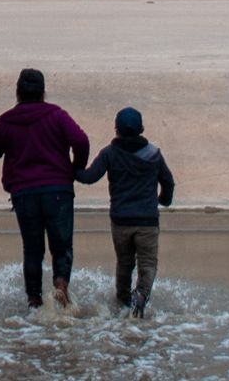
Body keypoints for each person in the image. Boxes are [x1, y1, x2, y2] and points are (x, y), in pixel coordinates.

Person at [0, 67, 90, 309]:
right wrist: (75, 169)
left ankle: (34, 301)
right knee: (61, 246)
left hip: (24, 193)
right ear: (43, 92)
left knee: (32, 249)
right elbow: (81, 141)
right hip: (58, 190)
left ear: (18, 92)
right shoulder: (56, 115)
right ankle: (60, 286)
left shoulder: (7, 120)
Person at [75, 105, 175, 318]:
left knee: (124, 263)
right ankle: (141, 296)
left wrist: (68, 168)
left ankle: (122, 303)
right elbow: (168, 182)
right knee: (147, 263)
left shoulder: (110, 153)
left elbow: (90, 177)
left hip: (121, 221)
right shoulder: (154, 154)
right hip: (147, 221)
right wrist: (163, 200)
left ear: (116, 129)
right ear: (141, 129)